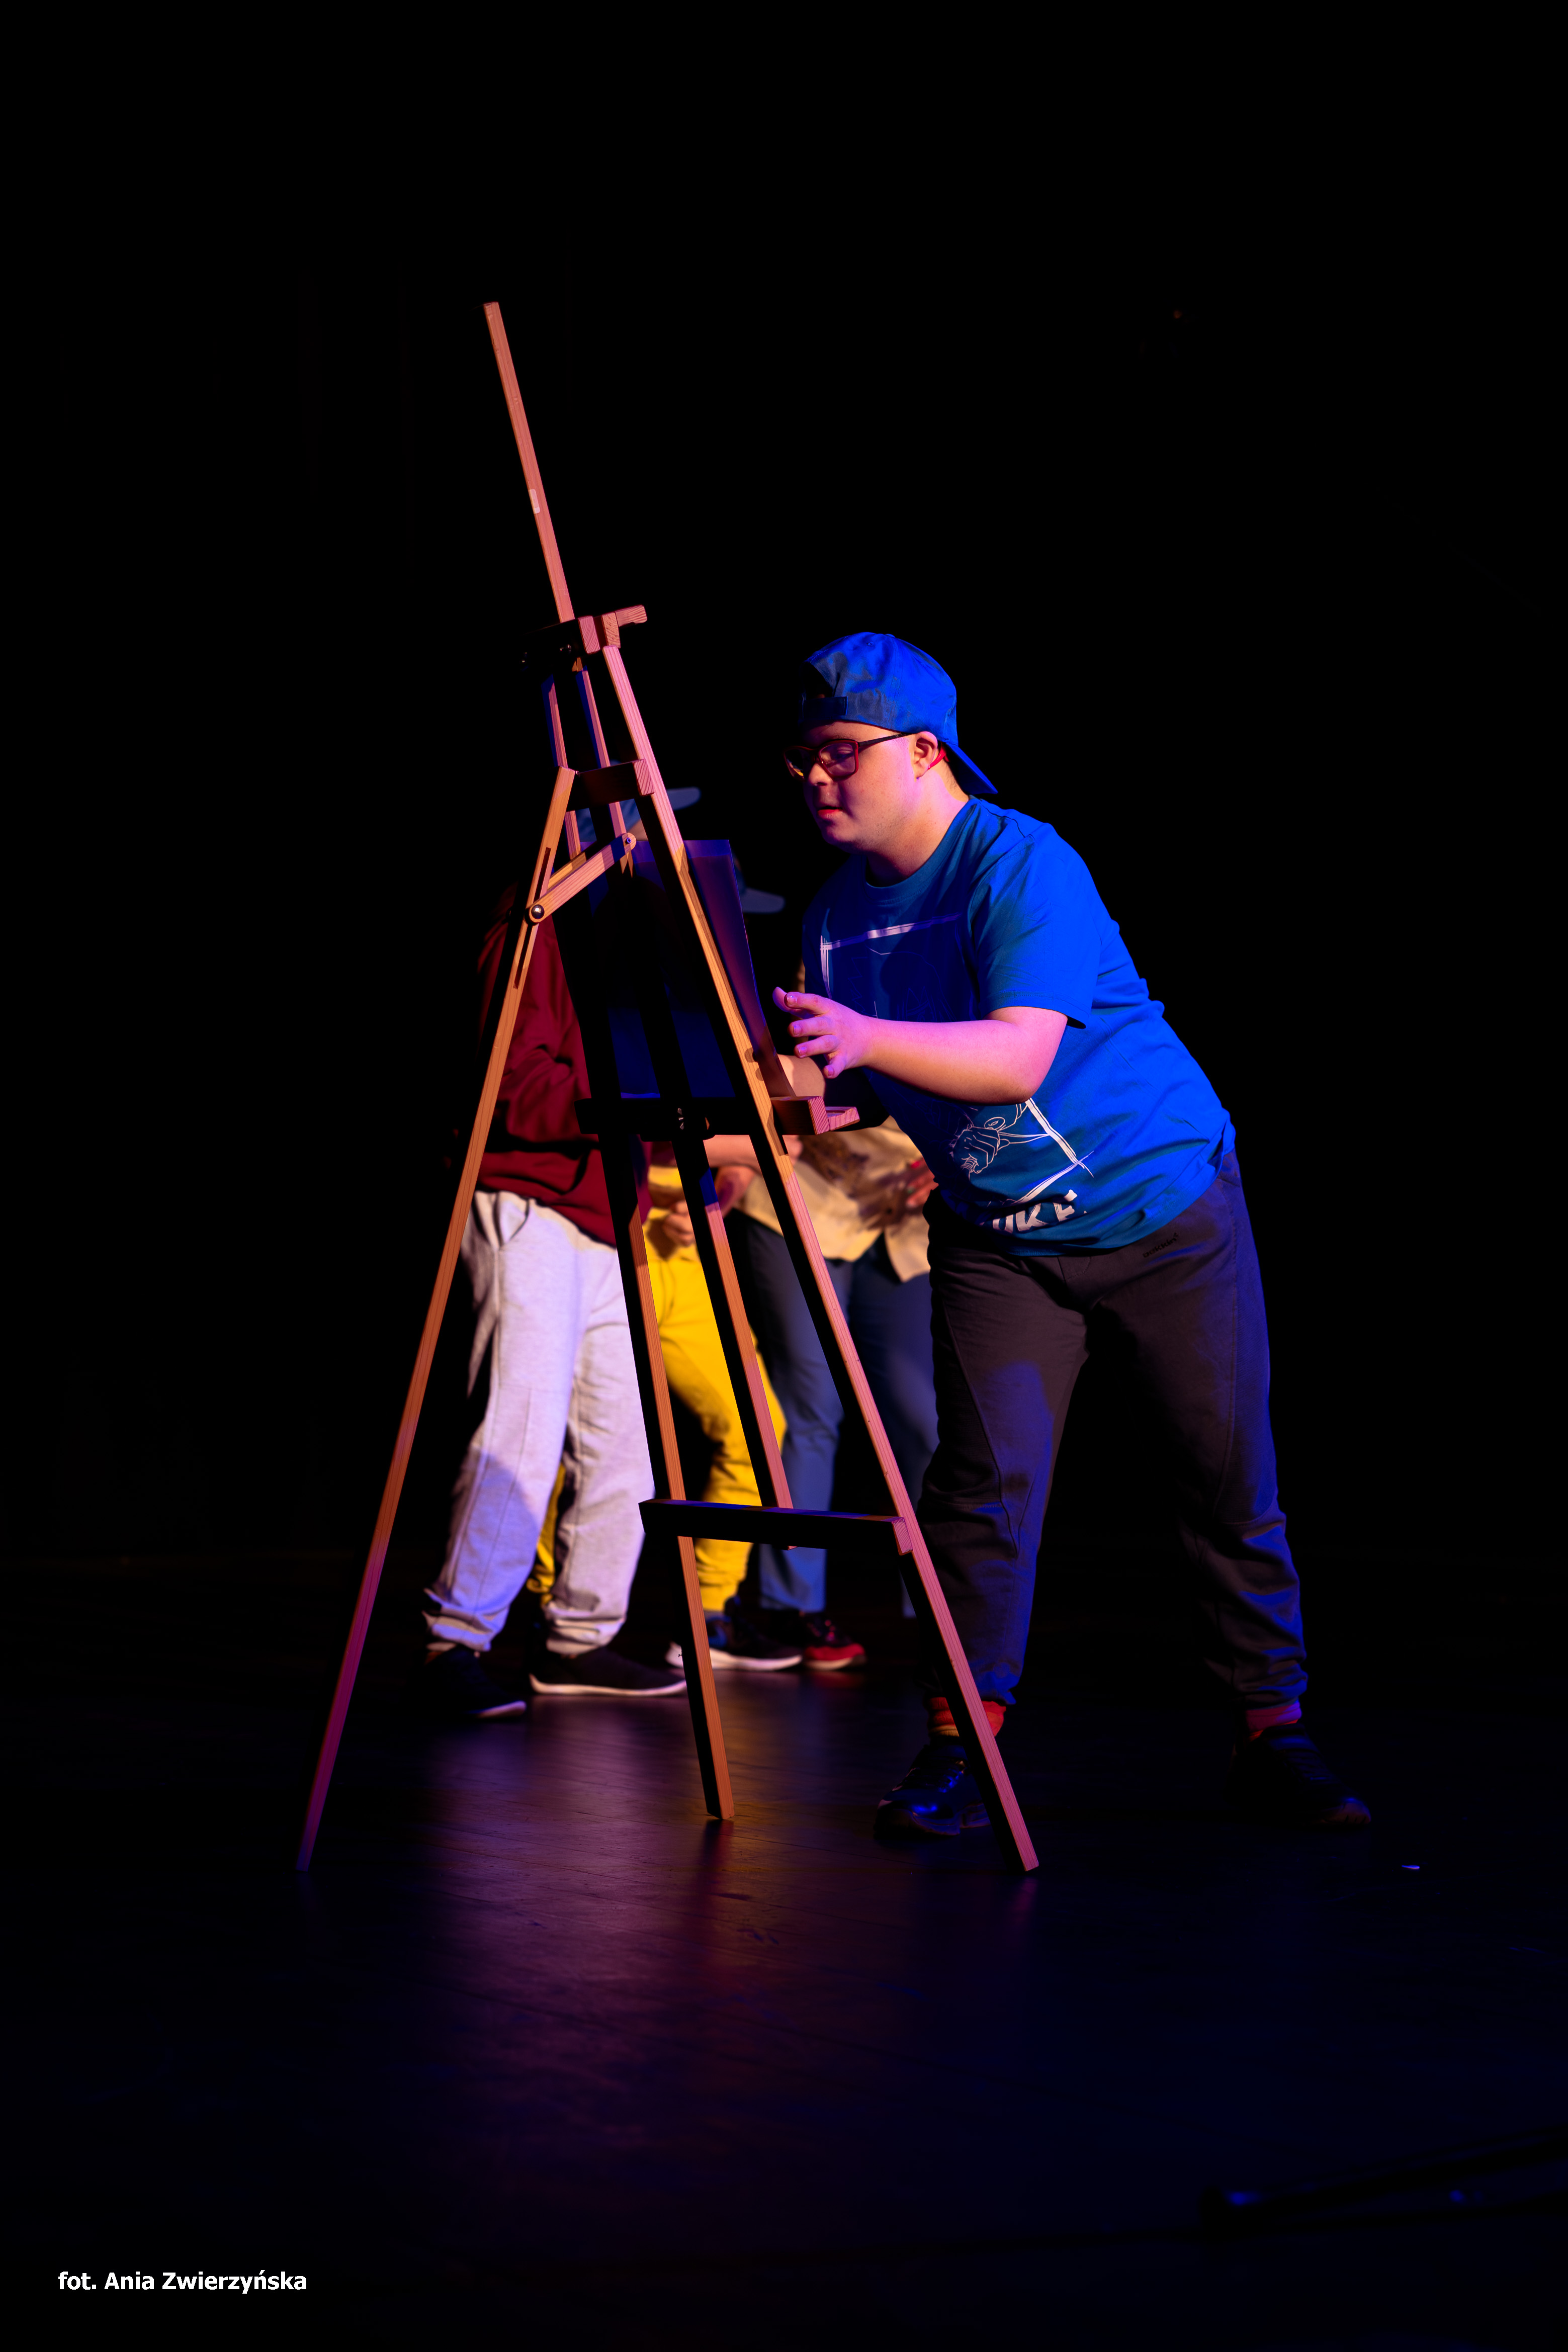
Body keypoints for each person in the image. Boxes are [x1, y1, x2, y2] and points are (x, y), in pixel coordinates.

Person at [774, 632, 1370, 1835]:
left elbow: (1014, 1057)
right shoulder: (835, 916)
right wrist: (808, 1098)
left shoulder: (1018, 861)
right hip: (1001, 1237)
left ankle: (1272, 1729)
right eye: (803, 759)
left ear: (924, 752)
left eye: (841, 752)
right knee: (977, 1493)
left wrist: (865, 1043)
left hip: (1159, 1206)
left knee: (1221, 1472)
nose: (818, 778)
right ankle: (961, 1744)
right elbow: (874, 1081)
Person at [417, 892, 688, 1714]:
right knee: (522, 1427)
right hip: (528, 1197)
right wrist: (632, 1094)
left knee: (626, 1439)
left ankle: (579, 1635)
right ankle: (454, 1639)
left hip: (605, 1214)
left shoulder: (623, 954)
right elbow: (515, 1081)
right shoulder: (535, 933)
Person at [527, 1151, 806, 1671]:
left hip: (688, 1245)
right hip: (610, 1226)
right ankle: (546, 1603)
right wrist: (737, 1146)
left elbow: (773, 1141)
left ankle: (709, 1612)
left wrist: (721, 1196)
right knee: (572, 1434)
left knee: (758, 1427)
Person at [728, 1048, 939, 1661]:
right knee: (812, 1408)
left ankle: (941, 1606)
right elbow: (784, 1069)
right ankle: (787, 1605)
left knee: (922, 1418)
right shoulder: (852, 985)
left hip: (901, 1230)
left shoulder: (981, 1001)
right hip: (805, 1202)